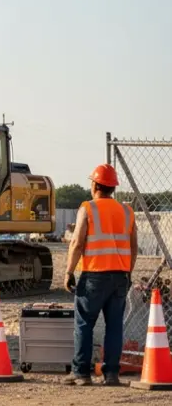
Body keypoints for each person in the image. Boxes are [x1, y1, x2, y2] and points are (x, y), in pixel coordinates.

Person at [62, 163, 138, 386]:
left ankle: (81, 373)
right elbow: (134, 247)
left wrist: (68, 272)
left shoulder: (88, 208)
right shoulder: (127, 211)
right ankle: (111, 374)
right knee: (115, 326)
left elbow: (77, 243)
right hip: (120, 277)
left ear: (95, 185)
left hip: (94, 275)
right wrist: (128, 271)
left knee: (84, 324)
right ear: (113, 187)